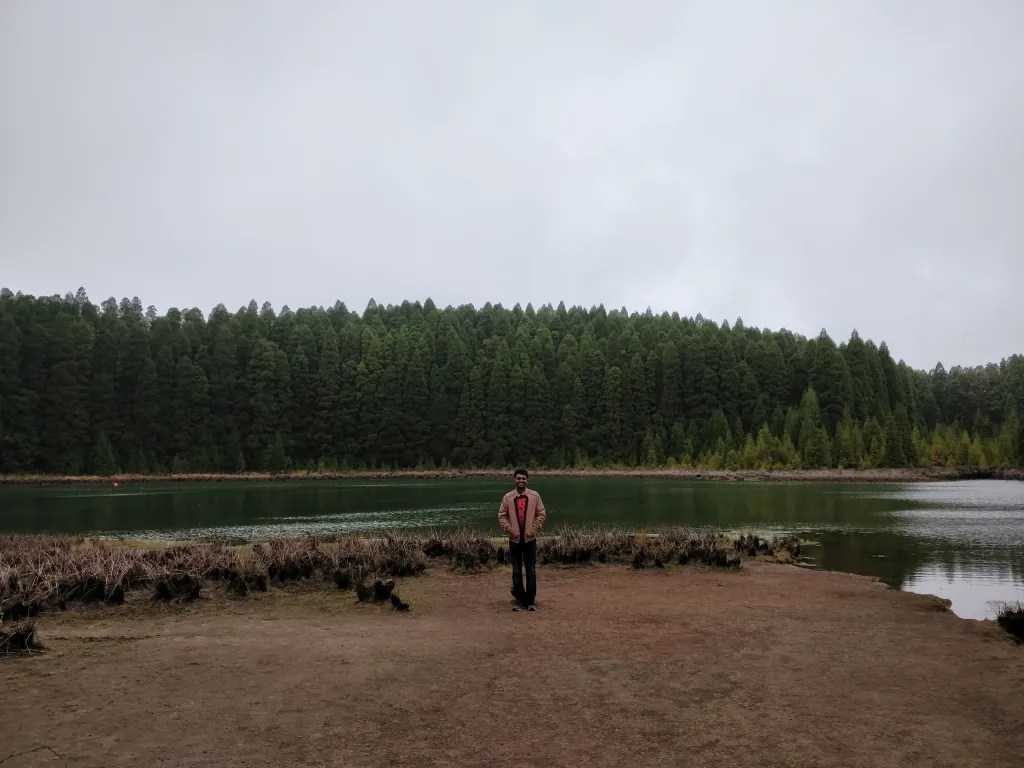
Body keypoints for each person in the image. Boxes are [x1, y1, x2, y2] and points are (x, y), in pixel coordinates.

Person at [498, 468, 546, 611]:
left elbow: (541, 513)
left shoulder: (534, 496)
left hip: (530, 540)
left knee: (531, 570)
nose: (521, 481)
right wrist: (510, 530)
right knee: (516, 571)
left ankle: (530, 601)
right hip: (514, 540)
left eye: (523, 478)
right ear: (514, 480)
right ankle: (520, 601)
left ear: (527, 480)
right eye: (518, 478)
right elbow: (501, 515)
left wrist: (533, 529)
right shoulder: (507, 497)